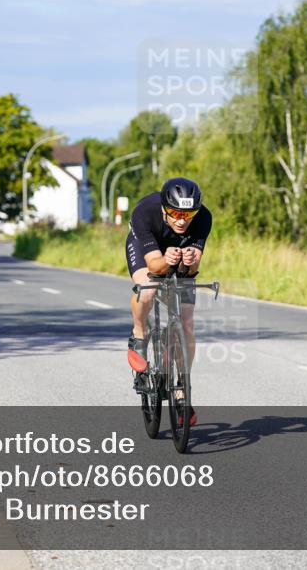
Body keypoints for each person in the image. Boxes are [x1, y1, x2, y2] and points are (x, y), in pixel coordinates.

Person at [124, 177, 212, 426]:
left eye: (188, 214)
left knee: (186, 324)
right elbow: (154, 266)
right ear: (164, 208)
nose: (182, 220)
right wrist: (167, 259)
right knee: (148, 289)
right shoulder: (145, 213)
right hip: (148, 248)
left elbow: (190, 273)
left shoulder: (203, 218)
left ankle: (183, 387)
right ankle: (139, 336)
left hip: (176, 254)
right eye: (175, 213)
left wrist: (190, 259)